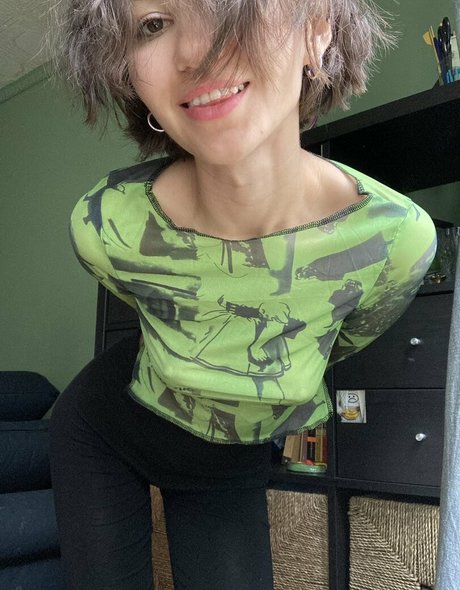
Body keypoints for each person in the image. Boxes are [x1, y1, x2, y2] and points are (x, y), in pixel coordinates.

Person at [49, 1, 437, 589]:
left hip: (229, 466)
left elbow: (332, 344)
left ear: (318, 28)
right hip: (103, 430)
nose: (194, 52)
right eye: (152, 24)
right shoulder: (106, 224)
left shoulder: (396, 242)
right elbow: (158, 314)